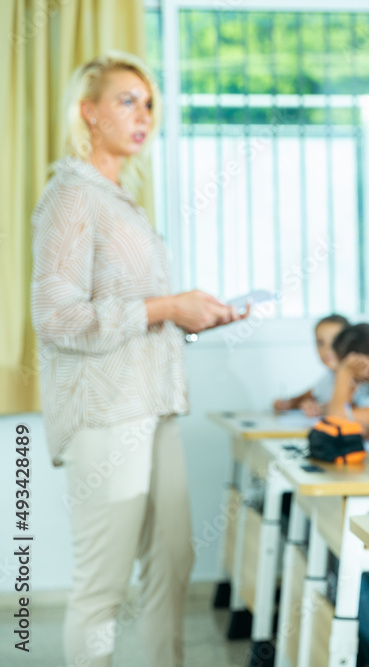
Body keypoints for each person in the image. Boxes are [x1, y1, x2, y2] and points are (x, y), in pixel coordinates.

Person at [30, 52, 248, 667]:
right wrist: (166, 306)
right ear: (88, 112)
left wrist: (193, 313)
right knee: (102, 585)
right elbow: (56, 318)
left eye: (149, 103)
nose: (143, 114)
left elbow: (144, 310)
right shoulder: (70, 196)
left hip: (155, 407)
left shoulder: (124, 201)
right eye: (127, 100)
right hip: (106, 413)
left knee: (174, 559)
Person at [273, 313, 349, 417]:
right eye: (320, 343)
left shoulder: (360, 378)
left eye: (335, 342)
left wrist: (324, 408)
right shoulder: (328, 378)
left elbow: (354, 407)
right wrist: (287, 404)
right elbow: (304, 397)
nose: (327, 349)